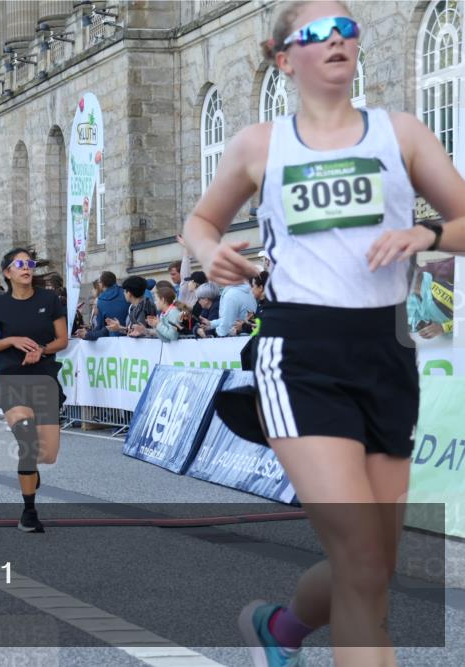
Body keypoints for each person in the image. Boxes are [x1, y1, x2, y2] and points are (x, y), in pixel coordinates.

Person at [182, 3, 465, 665]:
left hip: (386, 352)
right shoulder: (259, 143)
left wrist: (426, 233)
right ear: (286, 58)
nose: (336, 40)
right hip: (299, 355)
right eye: (316, 33)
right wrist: (208, 250)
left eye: (347, 29)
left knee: (375, 565)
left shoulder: (403, 133)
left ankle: (278, 629)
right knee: (362, 560)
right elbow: (199, 221)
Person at [0, 248, 68, 533]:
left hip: (44, 379)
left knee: (47, 454)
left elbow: (62, 340)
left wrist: (40, 350)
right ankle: (29, 512)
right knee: (28, 441)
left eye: (29, 263)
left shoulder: (49, 299)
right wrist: (12, 340)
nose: (26, 267)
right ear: (8, 272)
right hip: (12, 380)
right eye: (20, 264)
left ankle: (31, 470)